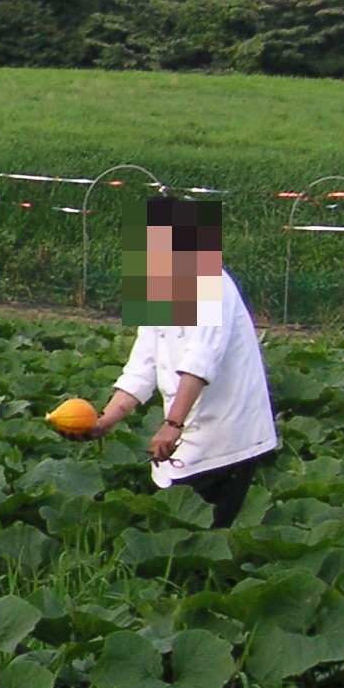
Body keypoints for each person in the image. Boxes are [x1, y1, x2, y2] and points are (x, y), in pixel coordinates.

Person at [83, 198, 280, 529]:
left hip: (227, 432)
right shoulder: (158, 286)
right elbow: (142, 366)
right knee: (176, 518)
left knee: (206, 530)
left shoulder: (212, 282)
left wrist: (172, 424)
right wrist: (105, 421)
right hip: (184, 432)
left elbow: (200, 362)